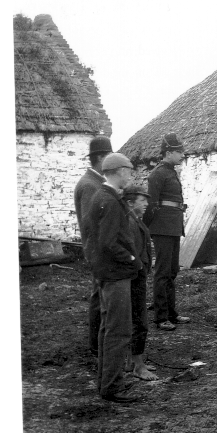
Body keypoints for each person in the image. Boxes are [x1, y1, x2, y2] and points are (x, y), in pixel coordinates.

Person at [82, 153, 141, 403]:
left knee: (107, 329)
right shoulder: (110, 200)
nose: (131, 175)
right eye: (129, 170)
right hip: (116, 275)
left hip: (105, 273)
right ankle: (113, 386)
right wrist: (131, 259)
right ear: (117, 171)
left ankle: (106, 383)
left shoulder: (101, 197)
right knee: (119, 331)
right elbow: (108, 242)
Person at [144, 133, 191, 331]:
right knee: (162, 272)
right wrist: (146, 228)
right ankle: (161, 316)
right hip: (162, 228)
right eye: (179, 151)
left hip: (172, 227)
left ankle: (171, 312)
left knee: (172, 271)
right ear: (169, 152)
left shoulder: (171, 172)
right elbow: (151, 204)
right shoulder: (158, 174)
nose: (182, 154)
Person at [74, 135, 113, 357]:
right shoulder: (90, 185)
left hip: (99, 249)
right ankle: (96, 346)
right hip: (98, 250)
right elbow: (91, 224)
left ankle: (98, 344)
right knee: (99, 297)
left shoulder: (96, 182)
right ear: (100, 158)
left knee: (100, 296)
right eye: (108, 157)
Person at [123, 185, 158, 382]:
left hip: (137, 275)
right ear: (130, 202)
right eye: (142, 200)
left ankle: (130, 361)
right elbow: (133, 252)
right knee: (139, 321)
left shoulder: (134, 220)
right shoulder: (129, 222)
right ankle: (138, 365)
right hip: (135, 276)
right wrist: (140, 269)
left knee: (134, 318)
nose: (146, 204)